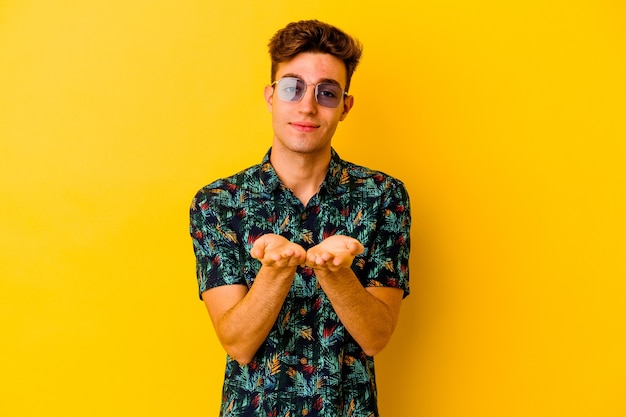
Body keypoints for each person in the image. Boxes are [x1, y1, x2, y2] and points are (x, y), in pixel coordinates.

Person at [189, 19, 411, 417]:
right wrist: (276, 271)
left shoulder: (383, 196)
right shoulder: (218, 203)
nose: (307, 106)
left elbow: (376, 337)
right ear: (271, 96)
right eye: (293, 88)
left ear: (345, 106)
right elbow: (236, 343)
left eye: (326, 93)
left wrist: (334, 272)